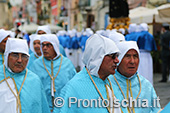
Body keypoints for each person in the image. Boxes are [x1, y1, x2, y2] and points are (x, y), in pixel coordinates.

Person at [53, 34, 121, 113]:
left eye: (117, 56)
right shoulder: (74, 87)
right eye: (113, 56)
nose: (117, 60)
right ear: (98, 57)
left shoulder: (111, 83)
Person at [109, 41, 161, 113]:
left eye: (135, 56)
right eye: (127, 56)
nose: (132, 61)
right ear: (119, 59)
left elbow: (156, 110)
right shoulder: (108, 83)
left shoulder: (146, 85)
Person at [0, 38, 50, 113]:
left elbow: (42, 108)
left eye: (24, 56)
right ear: (7, 56)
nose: (19, 60)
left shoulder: (34, 80)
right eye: (15, 55)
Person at [29, 34, 76, 112]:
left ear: (55, 46)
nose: (44, 48)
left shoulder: (67, 64)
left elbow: (73, 87)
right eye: (43, 45)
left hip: (63, 106)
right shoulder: (36, 64)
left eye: (48, 45)